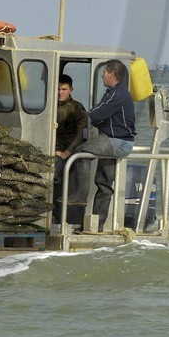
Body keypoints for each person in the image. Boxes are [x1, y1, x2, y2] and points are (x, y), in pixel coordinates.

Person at [69, 59, 138, 230]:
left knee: (80, 153)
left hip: (116, 141)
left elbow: (97, 114)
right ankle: (97, 227)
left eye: (104, 72)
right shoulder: (116, 92)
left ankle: (80, 196)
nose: (102, 76)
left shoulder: (117, 93)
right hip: (120, 141)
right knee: (104, 184)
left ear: (112, 74)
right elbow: (100, 116)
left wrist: (77, 115)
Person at [53, 74, 88, 218]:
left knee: (54, 173)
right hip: (52, 149)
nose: (60, 92)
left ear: (71, 90)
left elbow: (81, 134)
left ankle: (56, 214)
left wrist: (66, 152)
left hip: (67, 151)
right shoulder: (50, 106)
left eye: (64, 89)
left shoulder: (76, 108)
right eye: (58, 89)